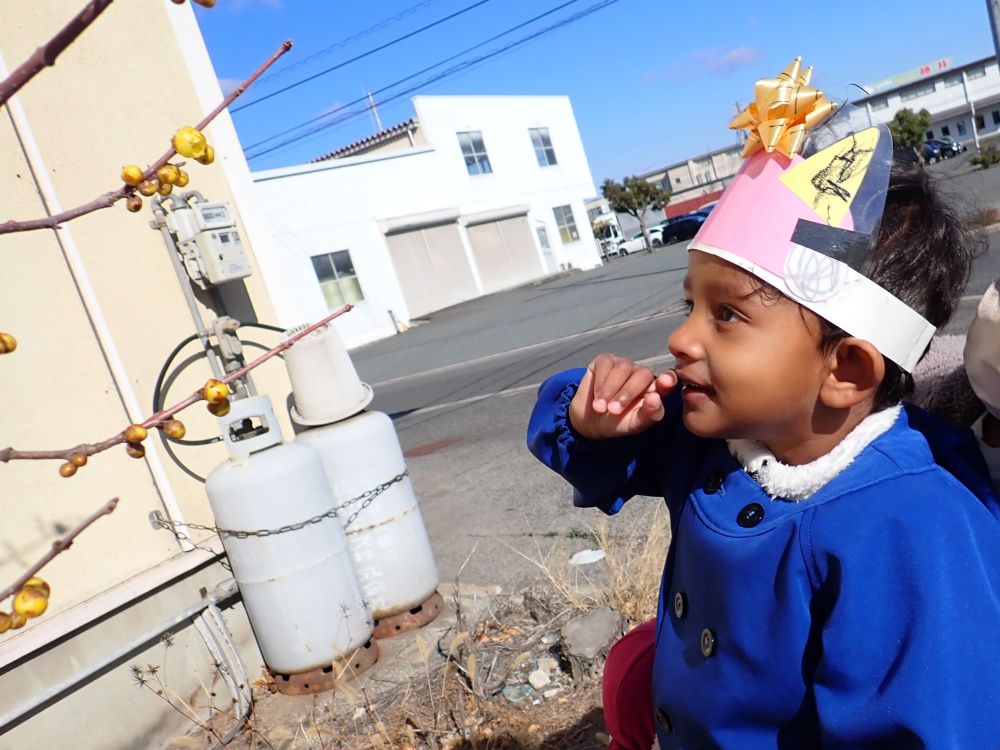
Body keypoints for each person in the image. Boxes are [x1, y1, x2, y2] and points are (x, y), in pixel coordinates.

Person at [527, 58, 1000, 749]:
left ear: (846, 369)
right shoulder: (723, 437)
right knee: (631, 666)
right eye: (690, 304)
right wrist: (588, 420)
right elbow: (587, 457)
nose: (680, 338)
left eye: (726, 317)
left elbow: (929, 725)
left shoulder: (910, 521)